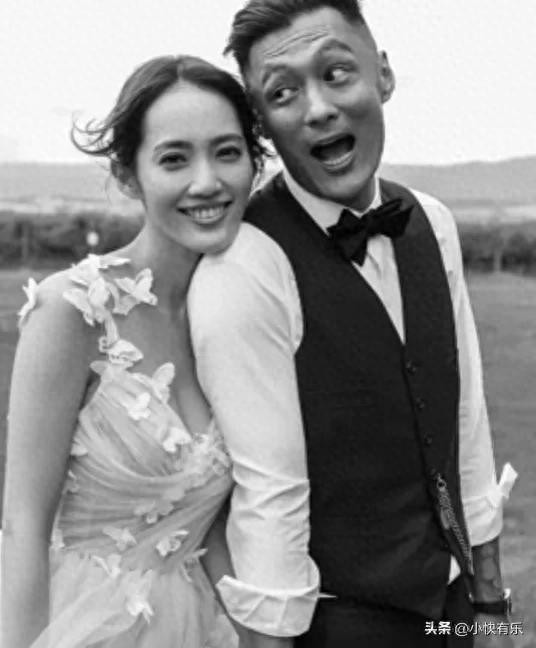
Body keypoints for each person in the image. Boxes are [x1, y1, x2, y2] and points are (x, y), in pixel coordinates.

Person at [187, 2, 517, 647]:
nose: (317, 108)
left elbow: (466, 422)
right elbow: (269, 496)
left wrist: (492, 605)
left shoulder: (431, 220)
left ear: (383, 74)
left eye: (336, 73)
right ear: (260, 123)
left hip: (450, 609)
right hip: (336, 624)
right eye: (282, 92)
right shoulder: (246, 266)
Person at [1, 54, 319, 648]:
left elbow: (208, 519)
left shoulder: (238, 313)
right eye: (175, 159)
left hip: (196, 623)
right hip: (78, 623)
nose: (207, 181)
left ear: (254, 164)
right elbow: (22, 528)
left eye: (227, 152)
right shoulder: (71, 312)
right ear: (129, 176)